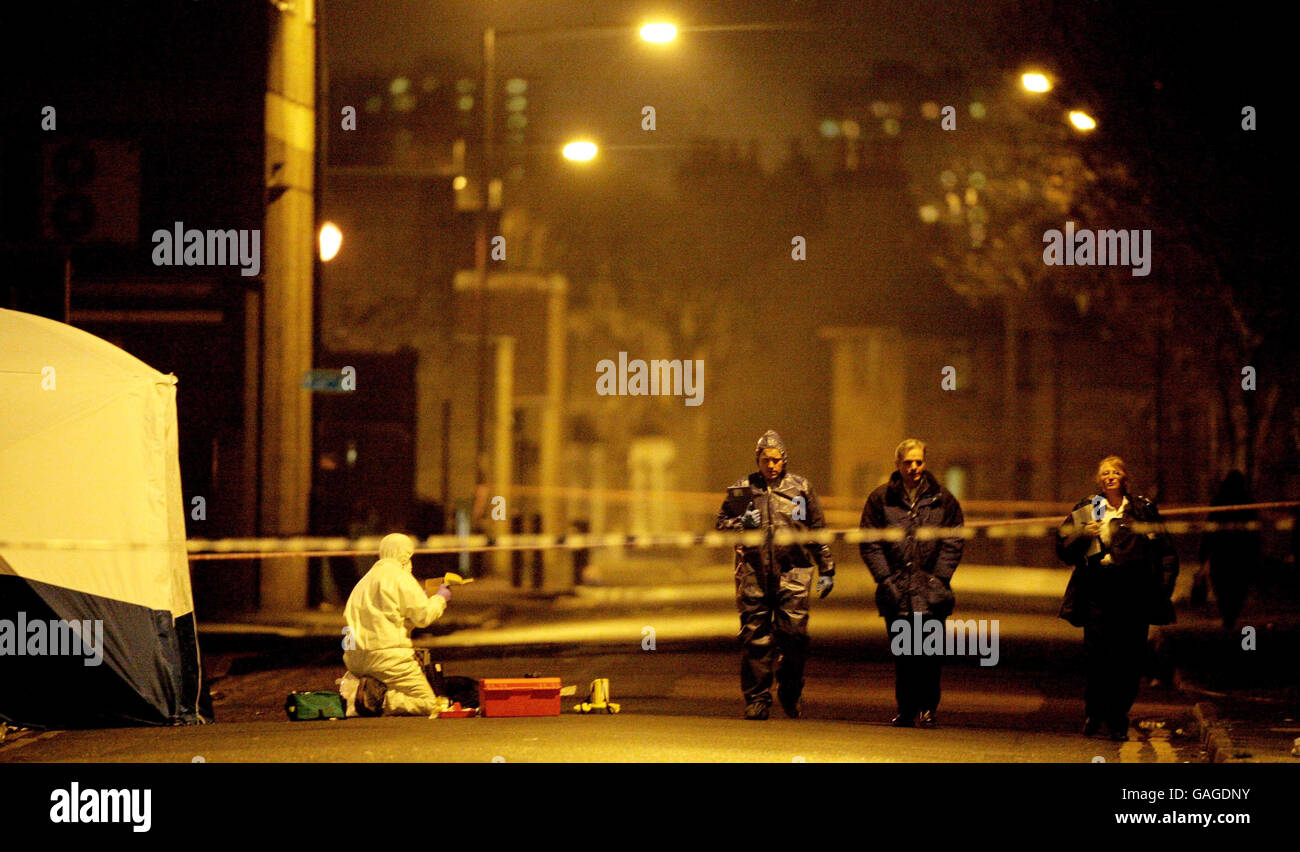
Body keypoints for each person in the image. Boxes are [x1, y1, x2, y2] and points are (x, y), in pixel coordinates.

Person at [715, 430, 835, 720]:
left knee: (794, 636)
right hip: (754, 572)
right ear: (757, 459)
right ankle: (757, 698)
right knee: (756, 637)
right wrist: (740, 522)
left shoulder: (800, 488)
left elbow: (816, 529)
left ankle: (791, 689)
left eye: (776, 460)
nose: (771, 465)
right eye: (765, 460)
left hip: (793, 571)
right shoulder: (744, 488)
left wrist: (827, 567)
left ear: (784, 460)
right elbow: (721, 524)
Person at [1057, 456, 1178, 741]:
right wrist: (1081, 535)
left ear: (1125, 478)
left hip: (1134, 593)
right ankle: (1094, 711)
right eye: (1104, 473)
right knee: (1098, 657)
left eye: (1115, 472)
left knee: (1129, 659)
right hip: (1098, 590)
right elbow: (1063, 549)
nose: (1110, 476)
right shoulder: (1090, 508)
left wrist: (1162, 587)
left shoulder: (1142, 510)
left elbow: (1166, 551)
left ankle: (1117, 715)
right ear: (1099, 480)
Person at [859, 438, 965, 728]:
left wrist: (939, 578)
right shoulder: (881, 499)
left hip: (932, 591)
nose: (914, 467)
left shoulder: (943, 499)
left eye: (918, 462)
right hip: (898, 592)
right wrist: (885, 579)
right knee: (905, 654)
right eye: (908, 462)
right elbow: (870, 542)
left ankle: (928, 708)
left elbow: (953, 539)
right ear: (898, 465)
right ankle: (906, 709)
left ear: (925, 463)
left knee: (929, 655)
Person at [338, 533, 452, 716]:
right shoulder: (400, 577)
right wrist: (440, 598)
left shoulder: (363, 582)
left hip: (355, 659)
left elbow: (385, 619)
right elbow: (424, 617)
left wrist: (419, 598)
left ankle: (359, 697)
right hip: (389, 658)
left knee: (383, 684)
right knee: (430, 703)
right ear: (405, 555)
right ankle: (379, 699)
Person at [1198, 470, 1259, 632]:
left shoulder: (1219, 501)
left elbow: (1209, 530)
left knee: (1223, 586)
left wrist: (1203, 555)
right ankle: (1232, 615)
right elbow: (1255, 532)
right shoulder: (1248, 502)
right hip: (1241, 555)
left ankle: (1227, 616)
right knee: (1238, 585)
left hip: (1222, 554)